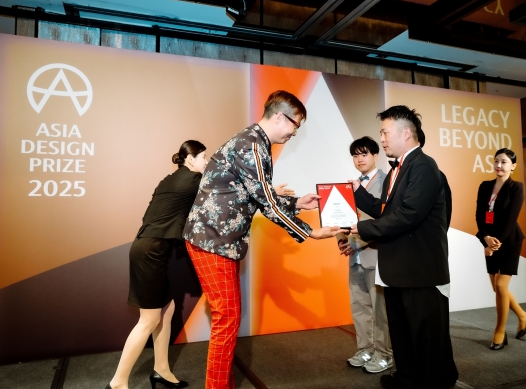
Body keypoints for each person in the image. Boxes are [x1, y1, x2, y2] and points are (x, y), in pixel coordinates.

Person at [182, 90, 345, 389]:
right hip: (213, 241)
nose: (296, 132)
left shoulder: (254, 142)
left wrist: (297, 203)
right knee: (227, 318)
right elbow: (267, 202)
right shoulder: (253, 145)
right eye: (296, 125)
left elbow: (258, 194)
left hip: (217, 241)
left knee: (227, 317)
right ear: (281, 117)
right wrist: (309, 231)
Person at [349, 106, 458, 389]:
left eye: (385, 133)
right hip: (399, 267)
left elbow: (409, 214)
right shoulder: (397, 170)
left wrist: (362, 228)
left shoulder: (424, 166)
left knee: (425, 335)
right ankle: (407, 378)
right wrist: (356, 193)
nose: (382, 139)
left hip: (420, 269)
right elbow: (385, 210)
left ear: (406, 133)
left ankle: (432, 383)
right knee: (402, 332)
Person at [107, 140, 208, 389]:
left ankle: (161, 370)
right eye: (204, 157)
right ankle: (118, 383)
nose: (207, 162)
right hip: (151, 252)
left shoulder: (168, 180)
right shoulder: (194, 179)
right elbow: (227, 191)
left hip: (147, 248)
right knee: (149, 320)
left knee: (167, 309)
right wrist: (272, 193)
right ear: (191, 159)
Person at [338, 136, 393, 373]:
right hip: (355, 256)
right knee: (359, 307)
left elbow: (384, 221)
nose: (360, 159)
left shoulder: (386, 182)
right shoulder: (350, 185)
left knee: (380, 310)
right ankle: (366, 349)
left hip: (375, 255)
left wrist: (356, 244)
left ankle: (384, 354)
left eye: (364, 154)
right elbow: (342, 215)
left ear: (375, 155)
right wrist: (341, 240)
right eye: (355, 155)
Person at [475, 148, 526, 350]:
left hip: (509, 241)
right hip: (490, 240)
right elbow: (479, 216)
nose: (499, 165)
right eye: (496, 161)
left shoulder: (517, 187)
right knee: (498, 288)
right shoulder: (485, 186)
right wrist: (486, 239)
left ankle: (499, 331)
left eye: (504, 162)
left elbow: (510, 220)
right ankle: (523, 315)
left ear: (513, 166)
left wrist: (494, 244)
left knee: (500, 286)